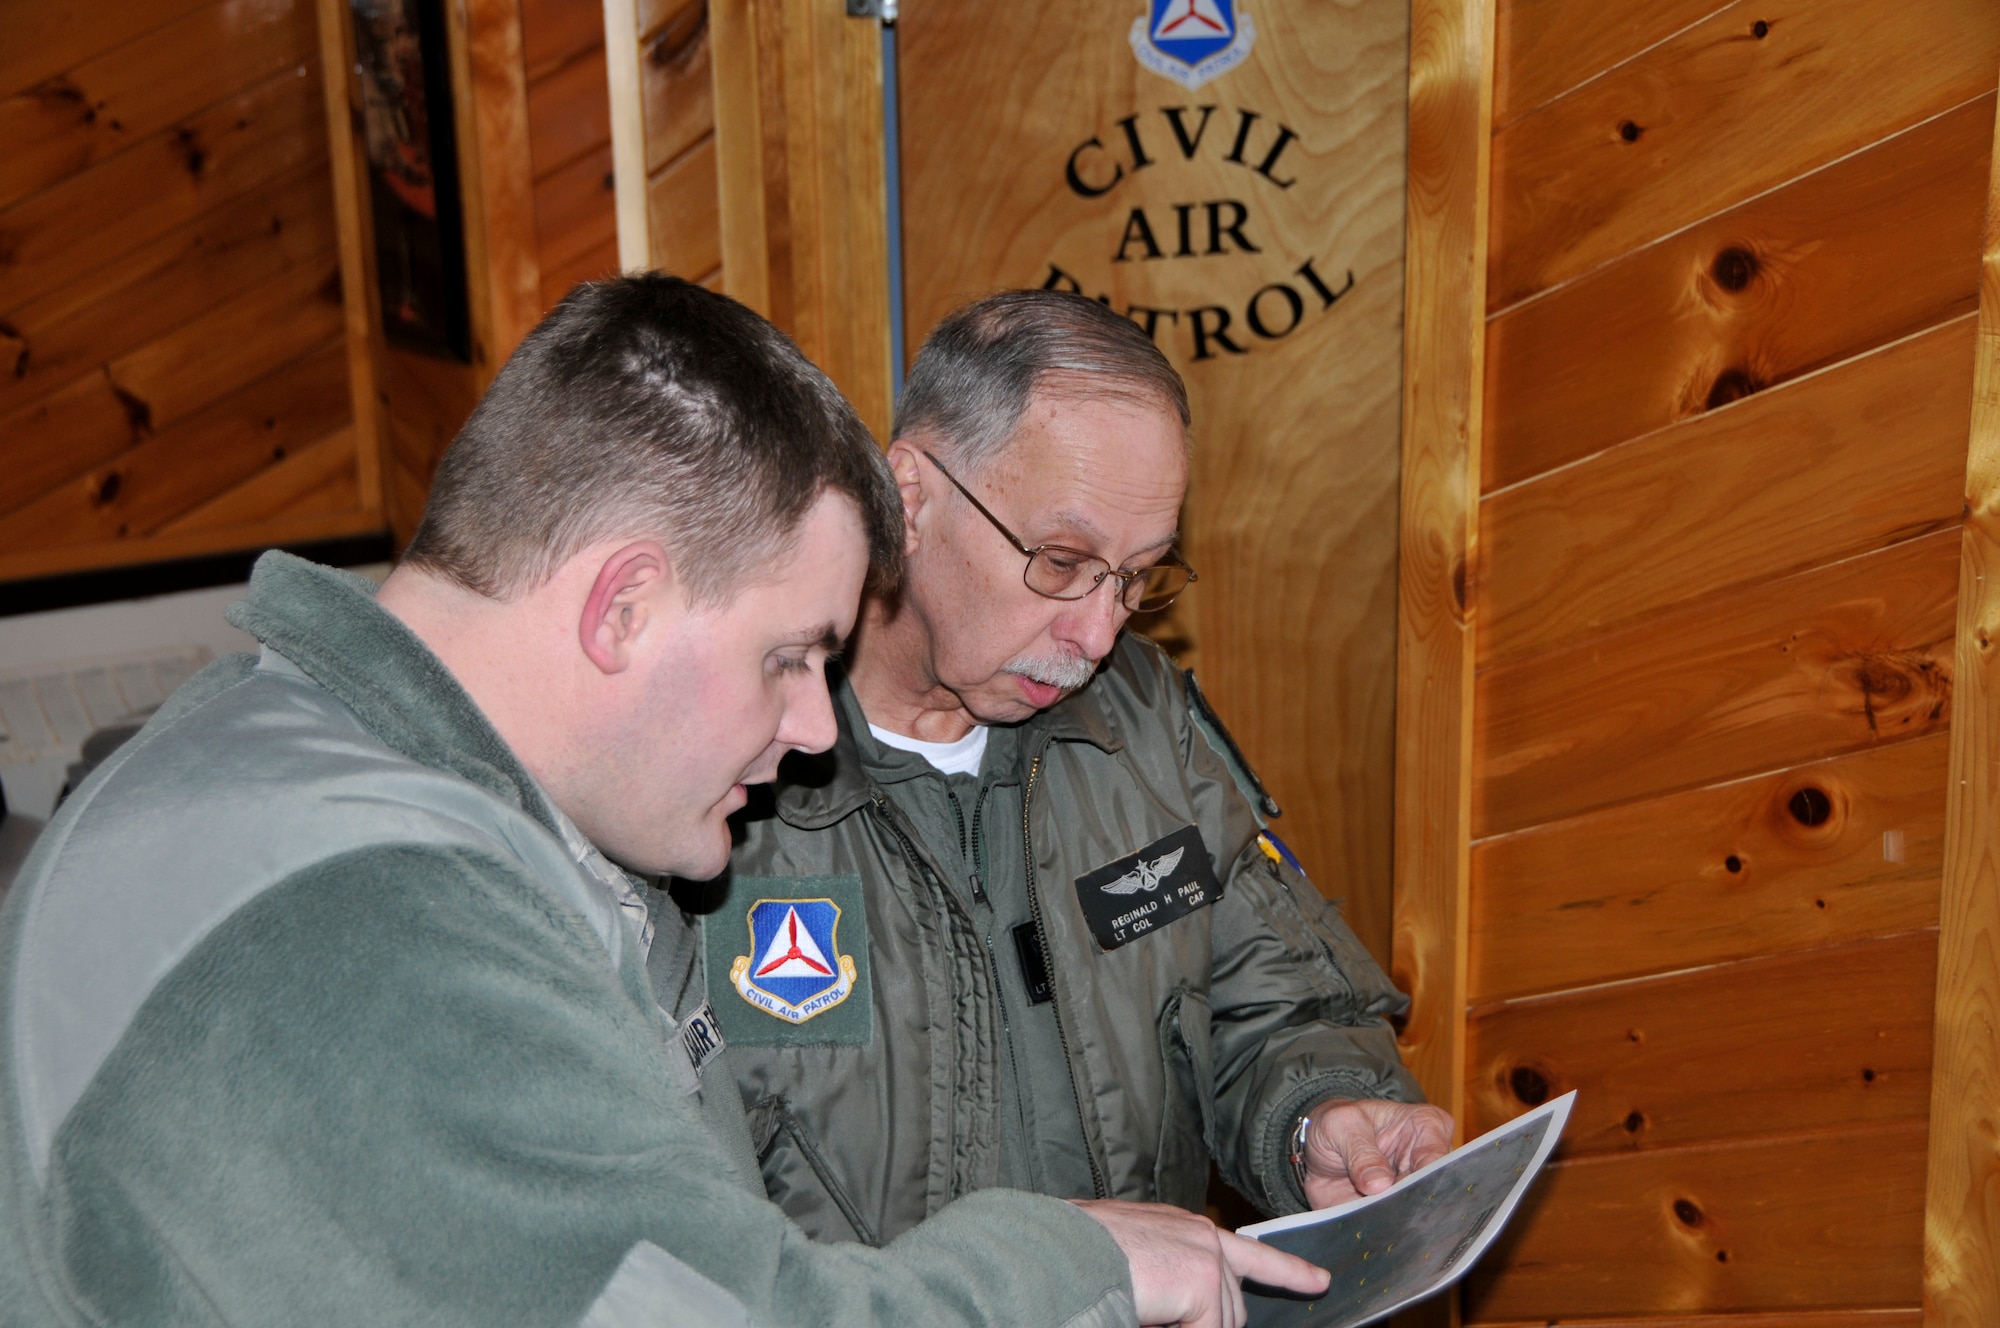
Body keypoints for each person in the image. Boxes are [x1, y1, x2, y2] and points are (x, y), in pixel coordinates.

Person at [0, 276, 1327, 1328]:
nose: (816, 724)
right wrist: (1071, 1261)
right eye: (790, 654)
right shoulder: (365, 921)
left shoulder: (325, 762)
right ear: (621, 604)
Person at [710, 289, 1453, 1247]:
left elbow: (1280, 1005)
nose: (1098, 633)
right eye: (1061, 561)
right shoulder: (726, 761)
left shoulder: (1146, 722)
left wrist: (1321, 1116)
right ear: (910, 494)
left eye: (1138, 577)